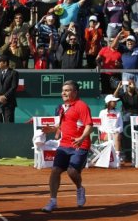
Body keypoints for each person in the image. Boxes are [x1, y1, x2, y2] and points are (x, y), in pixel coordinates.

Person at [41, 80, 93, 213]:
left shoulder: (82, 106)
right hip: (64, 145)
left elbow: (89, 125)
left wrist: (81, 138)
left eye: (67, 90)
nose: (63, 93)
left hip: (80, 145)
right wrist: (52, 129)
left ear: (75, 92)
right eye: (63, 90)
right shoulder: (63, 107)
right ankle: (53, 201)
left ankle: (80, 188)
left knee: (72, 171)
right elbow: (62, 125)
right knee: (55, 171)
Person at [0, 55, 19, 123]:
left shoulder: (14, 73)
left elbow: (14, 87)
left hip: (8, 102)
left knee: (9, 123)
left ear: (5, 63)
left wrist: (5, 96)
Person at [98, 94, 124, 164]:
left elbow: (121, 126)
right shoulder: (102, 112)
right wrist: (108, 131)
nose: (116, 103)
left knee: (116, 135)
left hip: (116, 134)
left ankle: (117, 157)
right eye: (114, 101)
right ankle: (117, 159)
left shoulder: (118, 112)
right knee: (115, 136)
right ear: (109, 102)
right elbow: (99, 126)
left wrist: (116, 131)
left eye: (116, 101)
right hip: (105, 134)